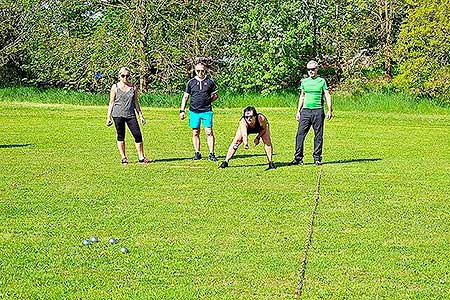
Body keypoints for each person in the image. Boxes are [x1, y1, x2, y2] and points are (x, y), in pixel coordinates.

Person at [291, 60, 332, 166]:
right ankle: (298, 158)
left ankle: (317, 158)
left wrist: (329, 110)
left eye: (313, 69)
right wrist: (298, 111)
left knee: (318, 135)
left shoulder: (322, 81)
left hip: (318, 111)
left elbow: (327, 95)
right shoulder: (304, 82)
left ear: (317, 69)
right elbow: (302, 96)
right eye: (309, 70)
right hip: (305, 111)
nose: (311, 71)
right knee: (300, 135)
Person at [106, 67, 150, 165]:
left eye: (127, 76)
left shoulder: (133, 87)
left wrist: (141, 115)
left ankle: (141, 157)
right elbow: (111, 102)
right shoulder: (115, 87)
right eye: (123, 76)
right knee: (121, 135)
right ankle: (124, 157)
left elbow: (136, 102)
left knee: (137, 135)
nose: (125, 78)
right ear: (119, 76)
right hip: (117, 115)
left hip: (130, 115)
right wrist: (108, 117)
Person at [179, 62, 219, 161]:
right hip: (194, 111)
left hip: (206, 111)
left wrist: (209, 102)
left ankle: (211, 153)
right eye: (198, 71)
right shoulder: (190, 83)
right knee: (195, 132)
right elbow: (185, 97)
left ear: (205, 70)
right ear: (195, 70)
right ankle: (197, 152)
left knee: (209, 132)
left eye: (202, 70)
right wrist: (182, 110)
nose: (200, 72)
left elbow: (216, 95)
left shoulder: (210, 82)